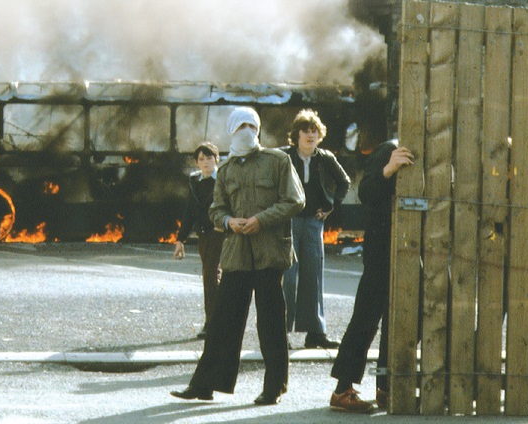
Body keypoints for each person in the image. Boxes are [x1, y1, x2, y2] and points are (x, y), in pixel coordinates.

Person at [171, 106, 305, 405]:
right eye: (240, 126)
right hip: (237, 254)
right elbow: (216, 209)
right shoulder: (227, 170)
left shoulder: (278, 161)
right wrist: (228, 221)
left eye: (250, 126)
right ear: (231, 131)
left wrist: (261, 220)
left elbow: (295, 200)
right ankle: (204, 385)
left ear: (257, 129)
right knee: (222, 321)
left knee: (270, 322)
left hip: (270, 253)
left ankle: (274, 388)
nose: (246, 131)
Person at [329, 139, 414, 413]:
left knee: (400, 320)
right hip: (381, 249)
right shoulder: (389, 148)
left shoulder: (429, 151)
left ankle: (386, 387)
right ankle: (342, 390)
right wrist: (388, 170)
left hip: (410, 248)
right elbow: (366, 192)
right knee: (365, 319)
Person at [281, 109, 350, 349]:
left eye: (314, 131)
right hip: (289, 222)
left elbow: (344, 182)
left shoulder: (325, 158)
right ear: (296, 134)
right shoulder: (284, 157)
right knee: (288, 278)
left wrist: (331, 206)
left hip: (313, 221)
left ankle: (315, 334)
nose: (310, 135)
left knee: (314, 276)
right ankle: (280, 333)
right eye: (306, 131)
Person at [174, 141, 224, 340]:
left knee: (211, 274)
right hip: (203, 235)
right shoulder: (194, 181)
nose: (205, 162)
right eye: (201, 159)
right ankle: (216, 320)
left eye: (209, 158)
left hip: (221, 233)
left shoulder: (223, 180)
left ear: (216, 159)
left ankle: (212, 323)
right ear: (196, 162)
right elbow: (189, 211)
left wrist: (225, 223)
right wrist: (181, 239)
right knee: (210, 275)